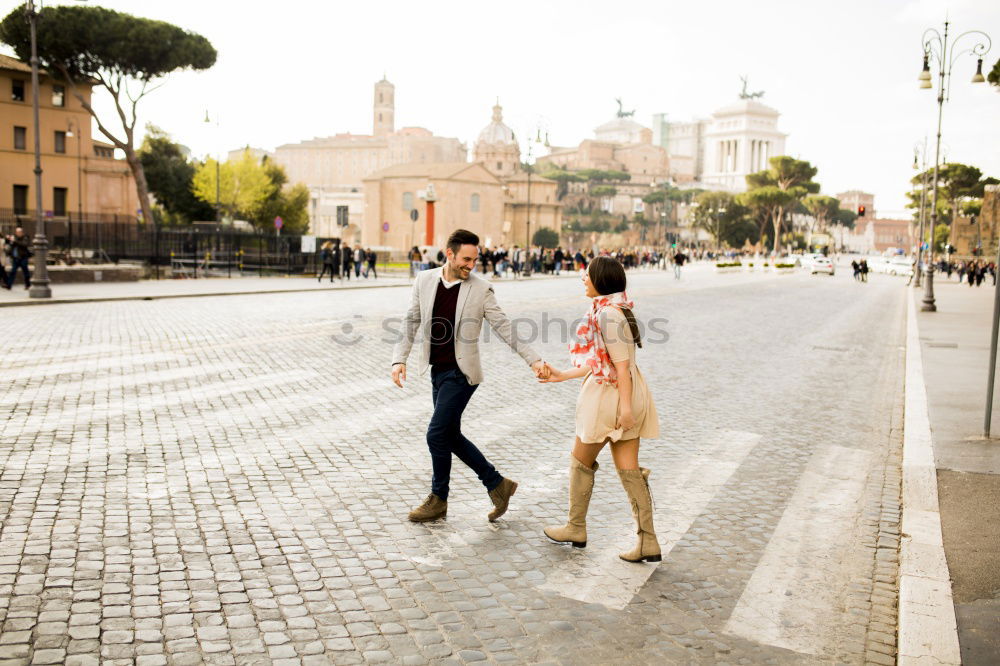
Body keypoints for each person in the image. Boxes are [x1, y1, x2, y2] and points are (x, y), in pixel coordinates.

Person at [391, 229, 549, 523]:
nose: (471, 265)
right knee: (449, 435)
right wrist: (399, 359)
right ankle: (497, 484)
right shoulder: (424, 281)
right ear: (448, 254)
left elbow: (504, 326)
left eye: (474, 260)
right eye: (466, 259)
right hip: (436, 372)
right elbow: (411, 320)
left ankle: (439, 498)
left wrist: (534, 359)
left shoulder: (481, 288)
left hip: (461, 374)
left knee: (436, 434)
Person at [538, 256, 661, 563]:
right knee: (629, 470)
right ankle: (648, 541)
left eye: (588, 274)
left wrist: (625, 409)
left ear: (600, 280)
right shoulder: (613, 310)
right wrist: (562, 374)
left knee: (581, 461)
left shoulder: (607, 315)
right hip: (622, 394)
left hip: (610, 397)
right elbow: (602, 363)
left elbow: (620, 367)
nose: (583, 278)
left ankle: (575, 526)